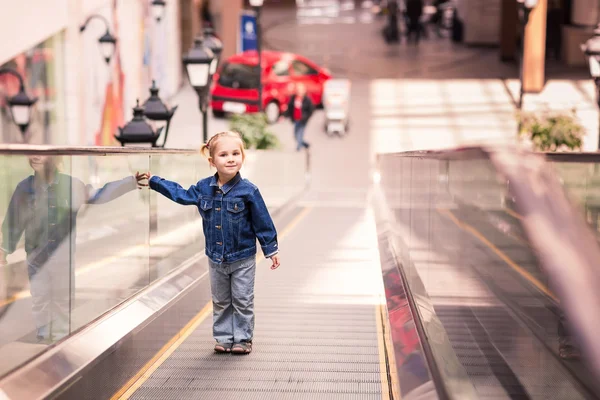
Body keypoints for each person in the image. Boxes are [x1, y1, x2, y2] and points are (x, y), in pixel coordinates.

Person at [147, 131, 280, 355]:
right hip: (216, 258)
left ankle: (243, 339)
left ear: (242, 157)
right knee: (220, 300)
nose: (230, 159)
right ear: (212, 161)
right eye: (224, 154)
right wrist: (155, 182)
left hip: (243, 258)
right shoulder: (203, 188)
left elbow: (262, 221)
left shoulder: (249, 190)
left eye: (236, 153)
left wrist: (271, 249)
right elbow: (181, 194)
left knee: (242, 299)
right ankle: (224, 337)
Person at [0, 155, 147, 343]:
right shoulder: (24, 188)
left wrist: (130, 182)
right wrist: (4, 249)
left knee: (63, 299)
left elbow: (98, 195)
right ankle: (44, 337)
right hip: (36, 258)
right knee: (40, 299)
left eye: (42, 152)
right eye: (32, 152)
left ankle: (61, 339)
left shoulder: (70, 185)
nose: (35, 156)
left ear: (54, 157)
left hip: (63, 256)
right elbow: (14, 220)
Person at [286, 83, 314, 151]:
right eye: (298, 90)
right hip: (296, 119)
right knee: (295, 134)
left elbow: (311, 109)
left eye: (301, 90)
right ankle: (304, 144)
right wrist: (288, 116)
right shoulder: (293, 98)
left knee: (300, 133)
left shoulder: (307, 99)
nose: (299, 92)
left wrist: (306, 117)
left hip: (303, 120)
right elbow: (290, 108)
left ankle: (298, 147)